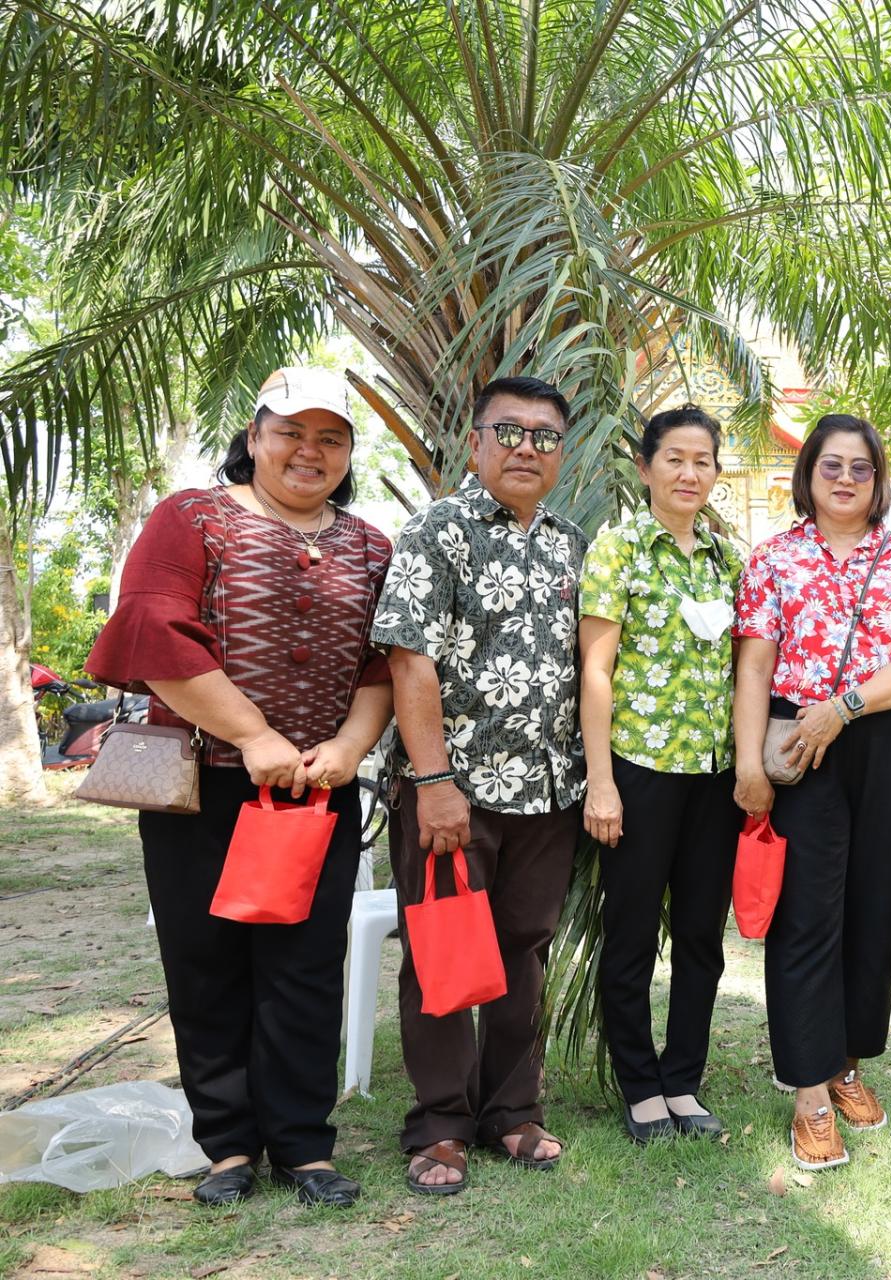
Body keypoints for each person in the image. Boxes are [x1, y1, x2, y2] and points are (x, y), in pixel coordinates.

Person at [86, 367, 392, 1208]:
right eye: (290, 431)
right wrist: (254, 737)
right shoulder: (192, 518)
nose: (309, 451)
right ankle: (227, 1146)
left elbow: (383, 665)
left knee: (306, 969)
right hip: (203, 789)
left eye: (331, 438)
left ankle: (304, 1147)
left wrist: (347, 747)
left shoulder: (371, 547)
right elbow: (154, 632)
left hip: (318, 793)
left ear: (348, 453)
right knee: (205, 961)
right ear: (253, 437)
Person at [373, 374, 588, 1195]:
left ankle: (512, 1111)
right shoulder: (438, 531)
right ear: (475, 442)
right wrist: (434, 781)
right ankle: (439, 1124)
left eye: (545, 436)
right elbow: (409, 661)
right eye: (510, 431)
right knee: (439, 952)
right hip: (454, 789)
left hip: (548, 792)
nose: (527, 447)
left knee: (523, 950)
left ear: (561, 452)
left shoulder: (570, 543)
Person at [732, 414, 891, 1171]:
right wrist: (749, 766)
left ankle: (847, 1062)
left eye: (861, 467)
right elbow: (755, 667)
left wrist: (844, 708)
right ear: (809, 475)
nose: (847, 479)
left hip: (886, 741)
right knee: (806, 918)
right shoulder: (773, 558)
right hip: (796, 745)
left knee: (875, 911)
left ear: (878, 479)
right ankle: (810, 1096)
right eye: (832, 465)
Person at [580, 406, 746, 1144]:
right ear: (645, 467)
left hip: (713, 776)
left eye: (703, 460)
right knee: (632, 933)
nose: (689, 473)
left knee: (702, 938)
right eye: (674, 458)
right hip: (639, 769)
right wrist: (602, 781)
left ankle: (683, 1080)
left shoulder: (725, 559)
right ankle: (640, 1086)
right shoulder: (618, 549)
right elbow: (596, 671)